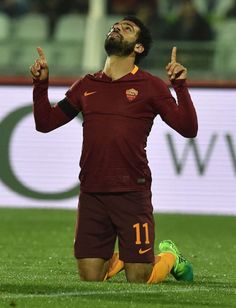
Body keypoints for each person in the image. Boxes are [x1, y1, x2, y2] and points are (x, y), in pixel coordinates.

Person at [30, 16, 198, 283]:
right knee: (90, 279)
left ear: (138, 48)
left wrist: (180, 86)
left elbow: (188, 129)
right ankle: (121, 256)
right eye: (115, 26)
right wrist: (41, 85)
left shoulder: (151, 86)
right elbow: (45, 124)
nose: (117, 28)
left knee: (139, 279)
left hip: (132, 192)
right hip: (92, 192)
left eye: (127, 28)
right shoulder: (86, 84)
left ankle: (170, 258)